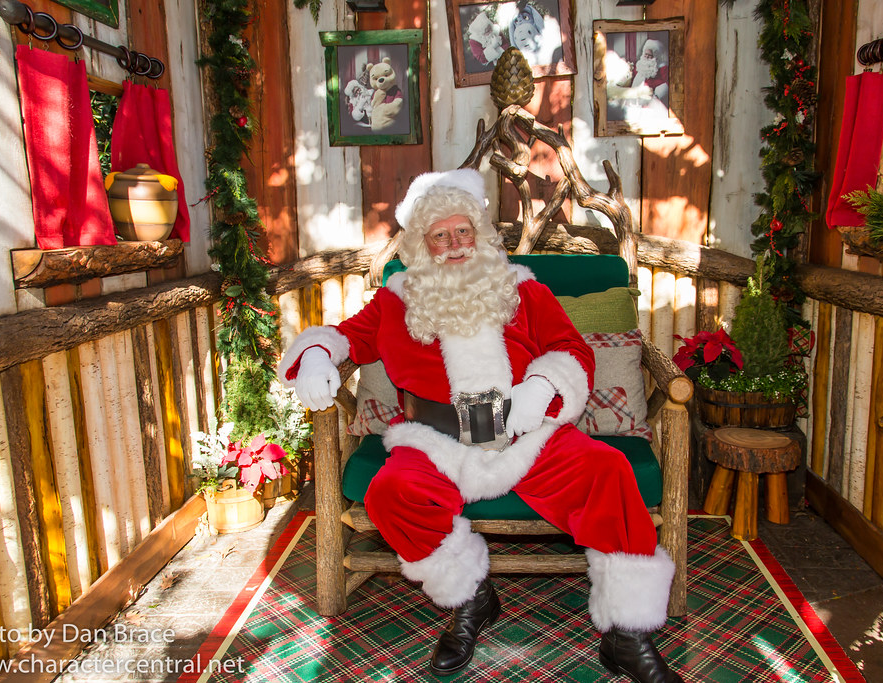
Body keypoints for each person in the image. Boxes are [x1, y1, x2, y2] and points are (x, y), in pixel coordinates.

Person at [278, 169, 682, 682]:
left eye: (463, 231)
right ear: (421, 246)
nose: (454, 244)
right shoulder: (395, 300)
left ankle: (628, 633)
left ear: (481, 233)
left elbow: (571, 350)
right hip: (436, 442)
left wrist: (541, 387)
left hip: (524, 435)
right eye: (440, 235)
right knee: (390, 493)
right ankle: (472, 598)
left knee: (607, 469)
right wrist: (315, 356)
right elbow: (343, 338)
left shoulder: (523, 292)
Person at [631, 38, 670, 108]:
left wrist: (653, 85)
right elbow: (635, 74)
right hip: (637, 91)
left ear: (655, 56)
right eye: (646, 54)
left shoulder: (662, 67)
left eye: (650, 55)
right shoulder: (640, 64)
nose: (647, 57)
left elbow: (666, 82)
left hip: (651, 94)